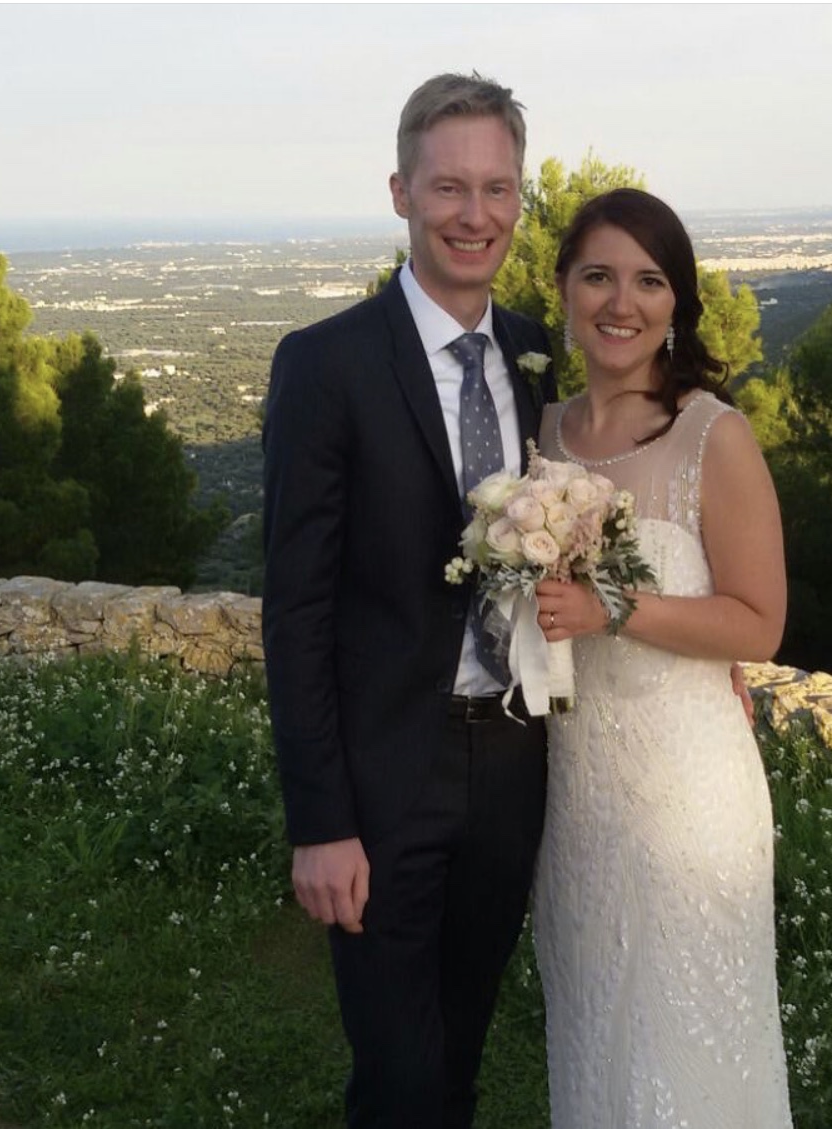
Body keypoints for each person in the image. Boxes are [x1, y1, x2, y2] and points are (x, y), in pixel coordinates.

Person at [261, 73, 555, 1129]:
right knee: (398, 1076)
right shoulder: (326, 365)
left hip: (515, 763)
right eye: (448, 187)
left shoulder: (539, 356)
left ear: (518, 198)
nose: (474, 215)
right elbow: (295, 610)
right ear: (401, 193)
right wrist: (321, 822)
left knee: (460, 1052)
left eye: (496, 188)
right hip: (385, 774)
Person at [531, 188, 793, 1127]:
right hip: (574, 797)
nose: (620, 302)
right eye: (597, 276)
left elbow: (758, 624)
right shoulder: (541, 436)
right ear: (564, 288)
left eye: (647, 281)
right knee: (597, 1034)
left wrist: (612, 607)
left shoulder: (711, 437)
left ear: (676, 302)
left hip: (688, 801)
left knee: (686, 1043)